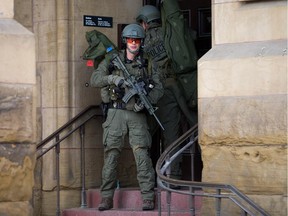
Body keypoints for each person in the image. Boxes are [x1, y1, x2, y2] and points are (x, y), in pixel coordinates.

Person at [90, 23, 164, 211]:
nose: (133, 43)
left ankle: (147, 197)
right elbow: (95, 80)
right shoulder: (112, 60)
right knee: (111, 156)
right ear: (125, 41)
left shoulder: (148, 62)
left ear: (141, 42)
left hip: (137, 115)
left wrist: (146, 101)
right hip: (116, 113)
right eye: (130, 40)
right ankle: (106, 198)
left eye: (137, 40)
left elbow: (159, 87)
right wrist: (113, 79)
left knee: (142, 156)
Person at [136, 5, 198, 180]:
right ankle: (174, 177)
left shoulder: (141, 40)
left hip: (153, 92)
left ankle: (145, 178)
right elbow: (190, 37)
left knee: (142, 136)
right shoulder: (170, 33)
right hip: (176, 88)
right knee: (172, 136)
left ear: (145, 22)